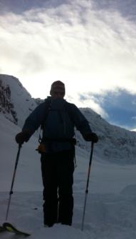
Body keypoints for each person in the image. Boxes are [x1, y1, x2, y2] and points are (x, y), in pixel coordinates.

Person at [15, 81, 98, 227]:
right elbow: (32, 121)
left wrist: (88, 134)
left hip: (64, 152)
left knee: (65, 190)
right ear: (51, 92)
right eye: (56, 92)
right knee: (50, 190)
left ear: (64, 94)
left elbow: (82, 123)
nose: (58, 95)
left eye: (61, 93)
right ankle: (50, 224)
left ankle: (64, 225)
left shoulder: (69, 108)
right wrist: (25, 133)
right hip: (49, 151)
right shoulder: (46, 107)